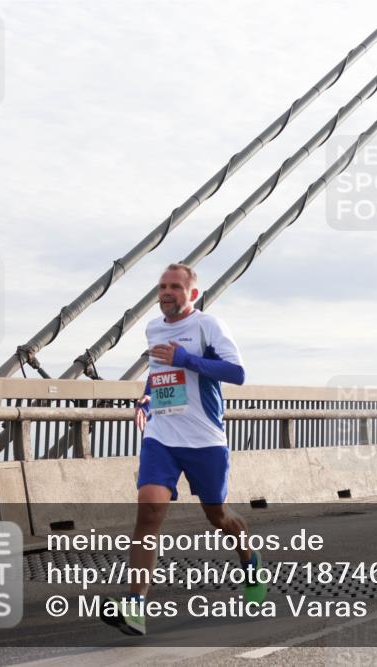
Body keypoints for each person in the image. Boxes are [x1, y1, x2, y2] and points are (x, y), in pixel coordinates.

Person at [103, 264, 261, 636]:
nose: (166, 292)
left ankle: (250, 561)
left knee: (219, 517)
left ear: (192, 294)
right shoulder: (153, 327)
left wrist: (186, 359)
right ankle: (136, 606)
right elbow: (159, 370)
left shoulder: (209, 326)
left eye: (175, 286)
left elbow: (236, 373)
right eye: (162, 286)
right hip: (162, 435)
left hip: (205, 439)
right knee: (149, 509)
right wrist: (145, 397)